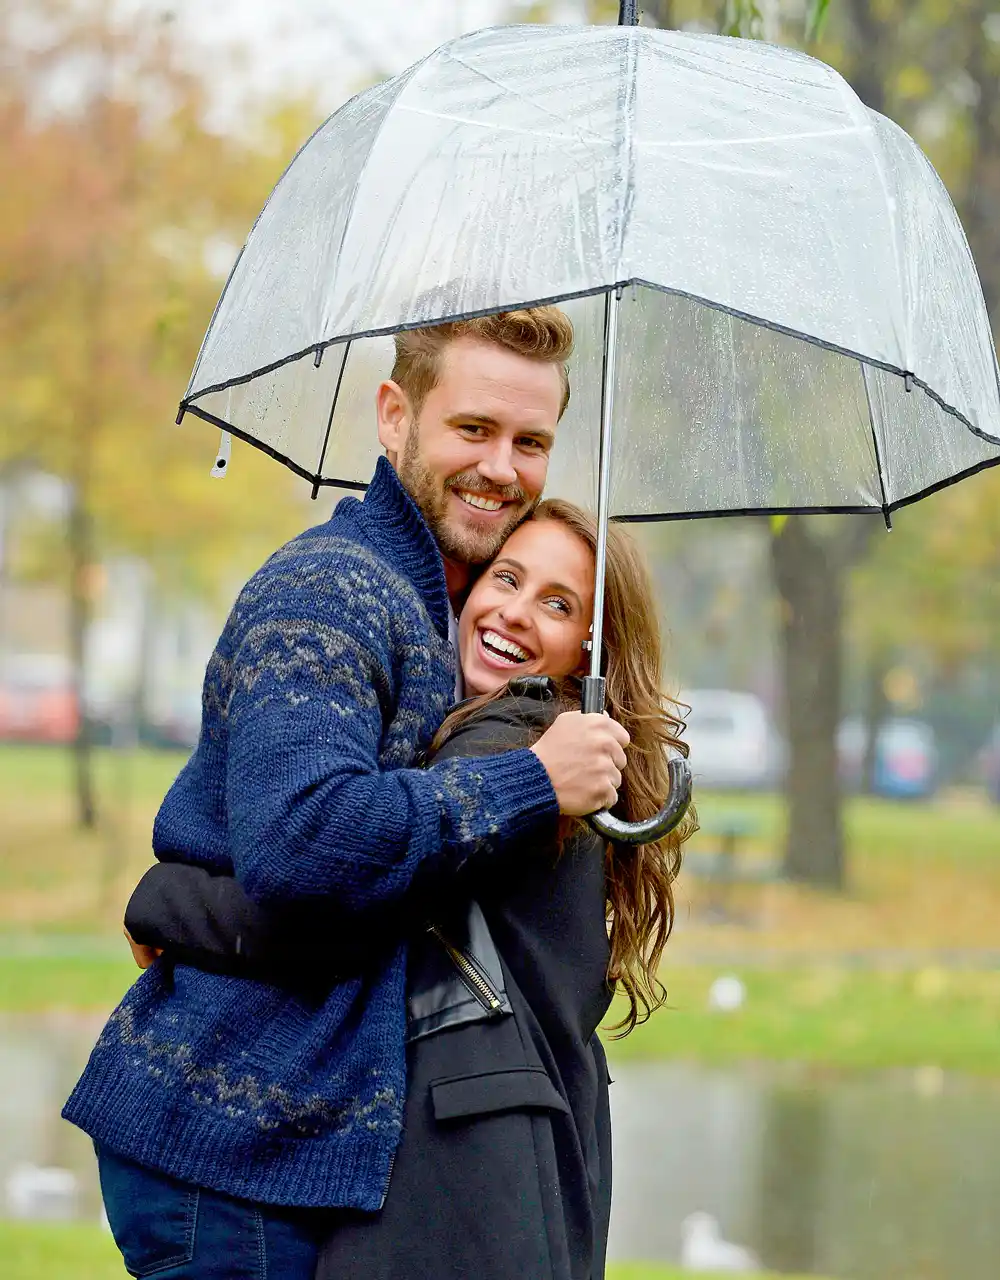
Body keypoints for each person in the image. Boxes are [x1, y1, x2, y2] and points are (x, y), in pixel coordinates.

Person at [63, 307, 632, 1278]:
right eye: (472, 428)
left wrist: (182, 904)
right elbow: (303, 842)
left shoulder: (437, 608)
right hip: (229, 1144)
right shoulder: (336, 592)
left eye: (529, 440)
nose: (502, 466)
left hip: (290, 1150)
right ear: (392, 415)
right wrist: (534, 780)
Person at [123, 500, 695, 1280]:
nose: (515, 613)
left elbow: (328, 899)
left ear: (590, 649)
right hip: (500, 1186)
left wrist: (165, 900)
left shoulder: (516, 749)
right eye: (507, 578)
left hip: (459, 1188)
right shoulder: (548, 756)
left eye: (558, 605)